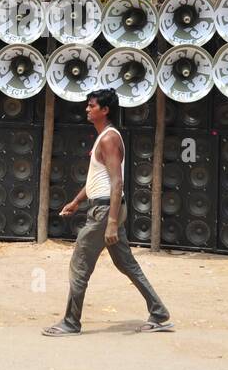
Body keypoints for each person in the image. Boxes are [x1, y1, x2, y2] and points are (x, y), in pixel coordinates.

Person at [42, 89, 172, 336]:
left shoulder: (108, 139)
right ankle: (158, 312)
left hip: (104, 212)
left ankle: (71, 322)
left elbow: (117, 182)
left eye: (92, 106)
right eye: (88, 105)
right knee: (127, 264)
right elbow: (97, 179)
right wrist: (77, 201)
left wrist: (111, 222)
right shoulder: (104, 136)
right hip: (104, 208)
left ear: (105, 110)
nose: (87, 109)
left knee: (80, 263)